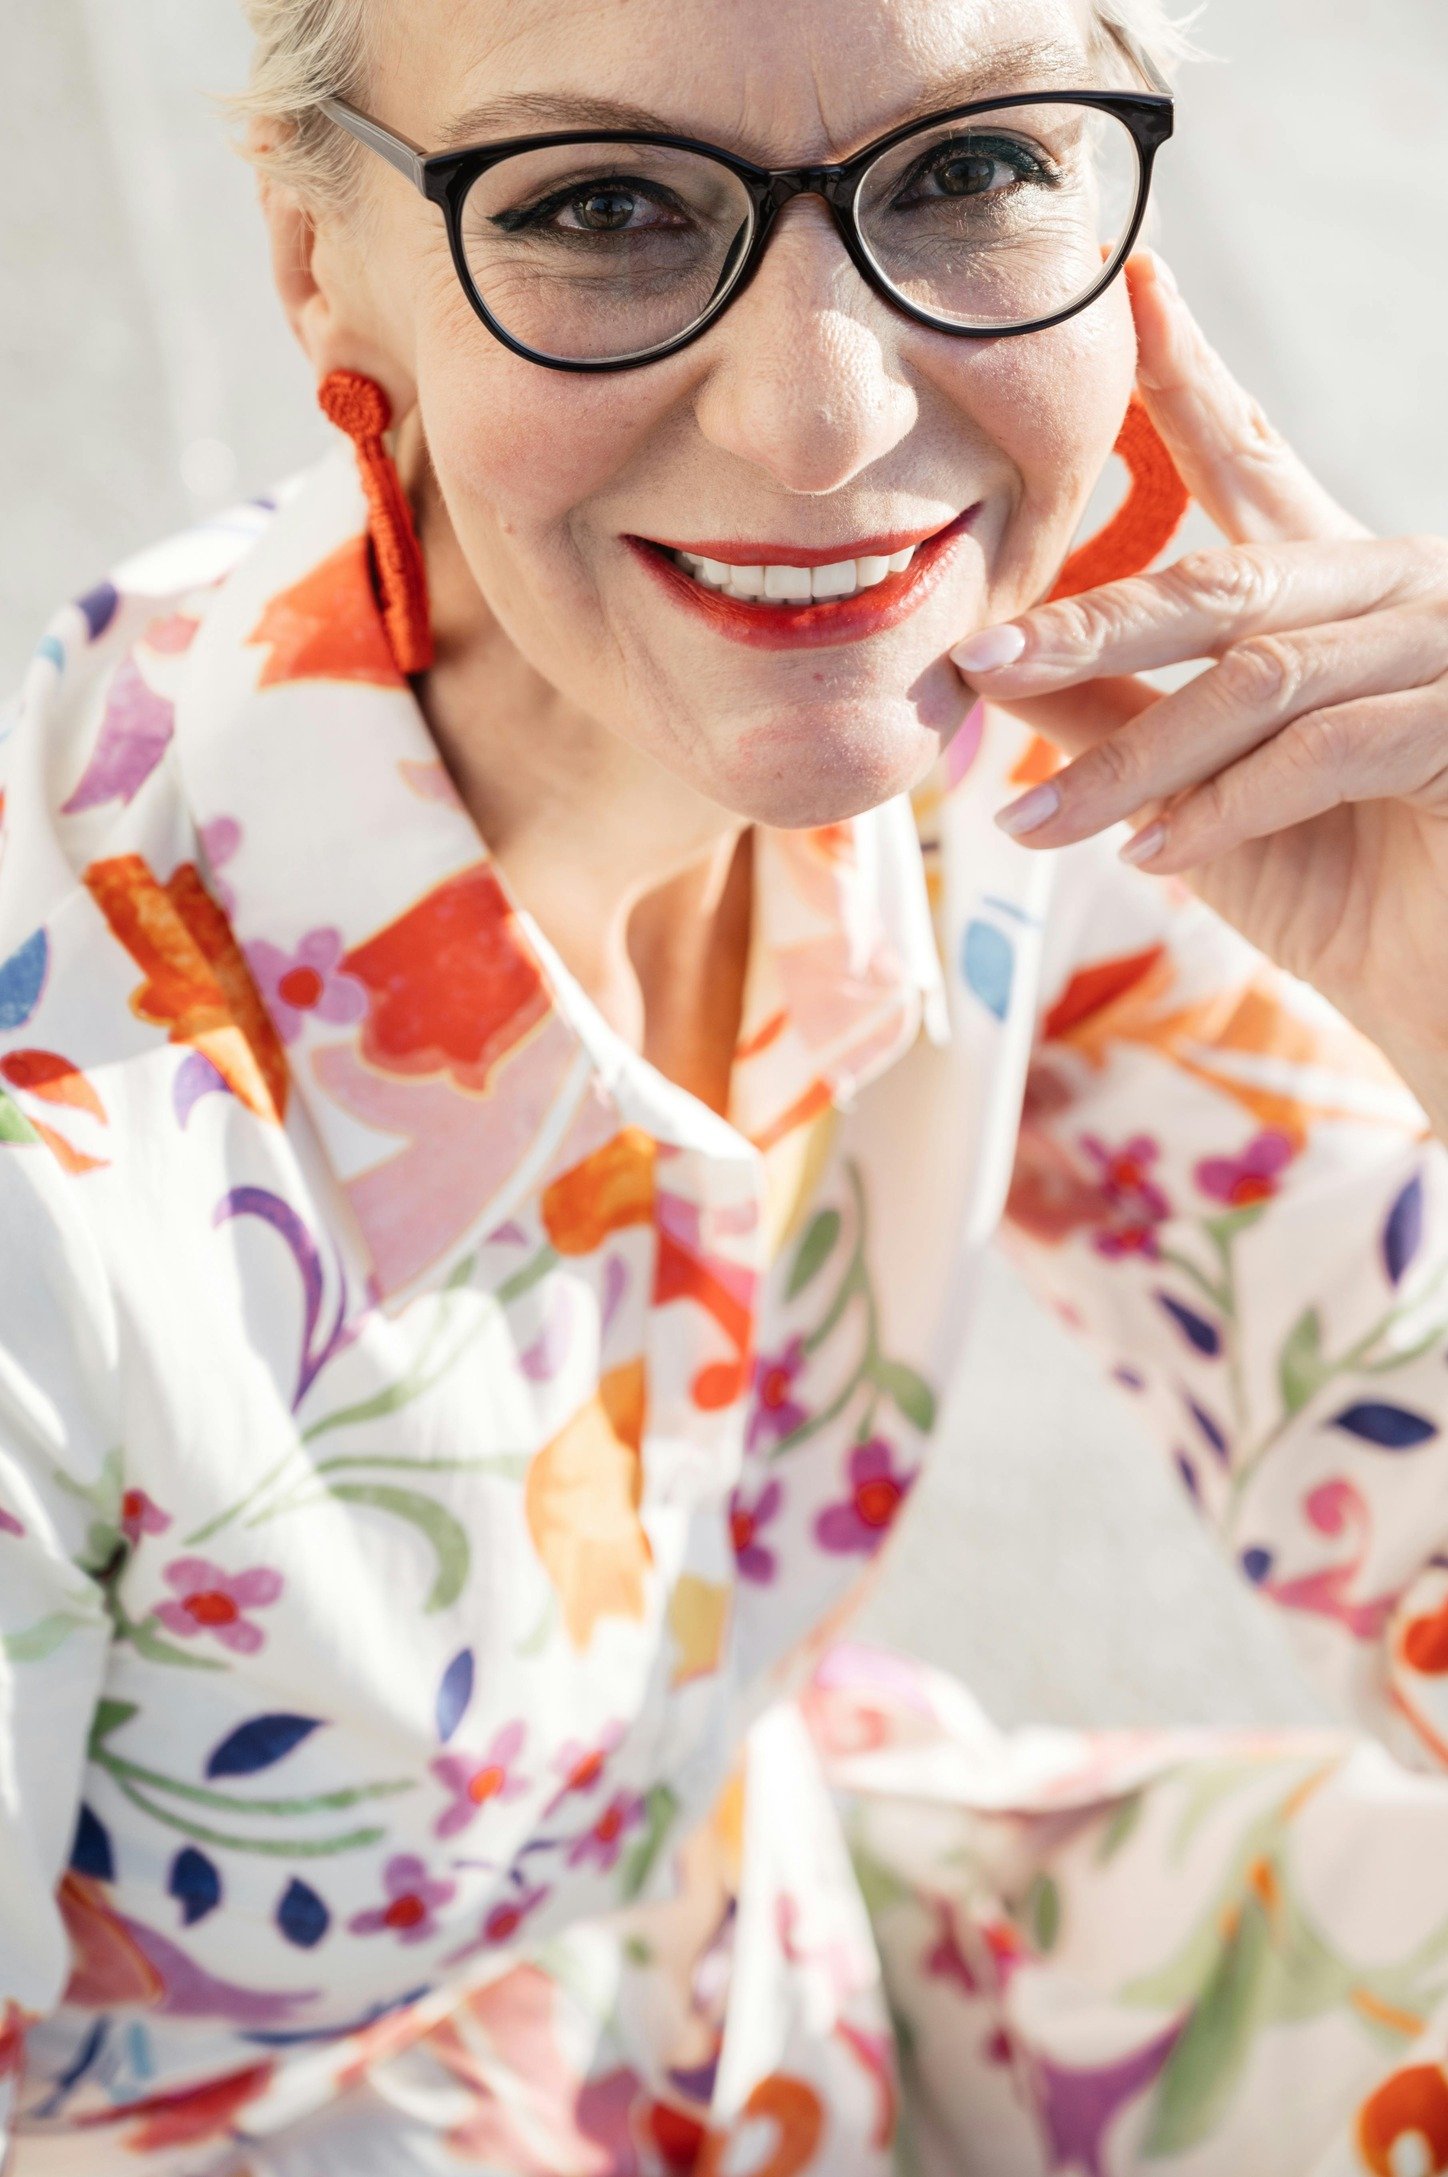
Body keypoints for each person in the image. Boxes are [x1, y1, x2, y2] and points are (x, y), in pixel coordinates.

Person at [3, 0, 1448, 2168]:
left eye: (966, 171)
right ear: (317, 261)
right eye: (600, 206)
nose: (821, 420)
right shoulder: (59, 1184)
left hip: (764, 1962)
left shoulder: (1041, 744)